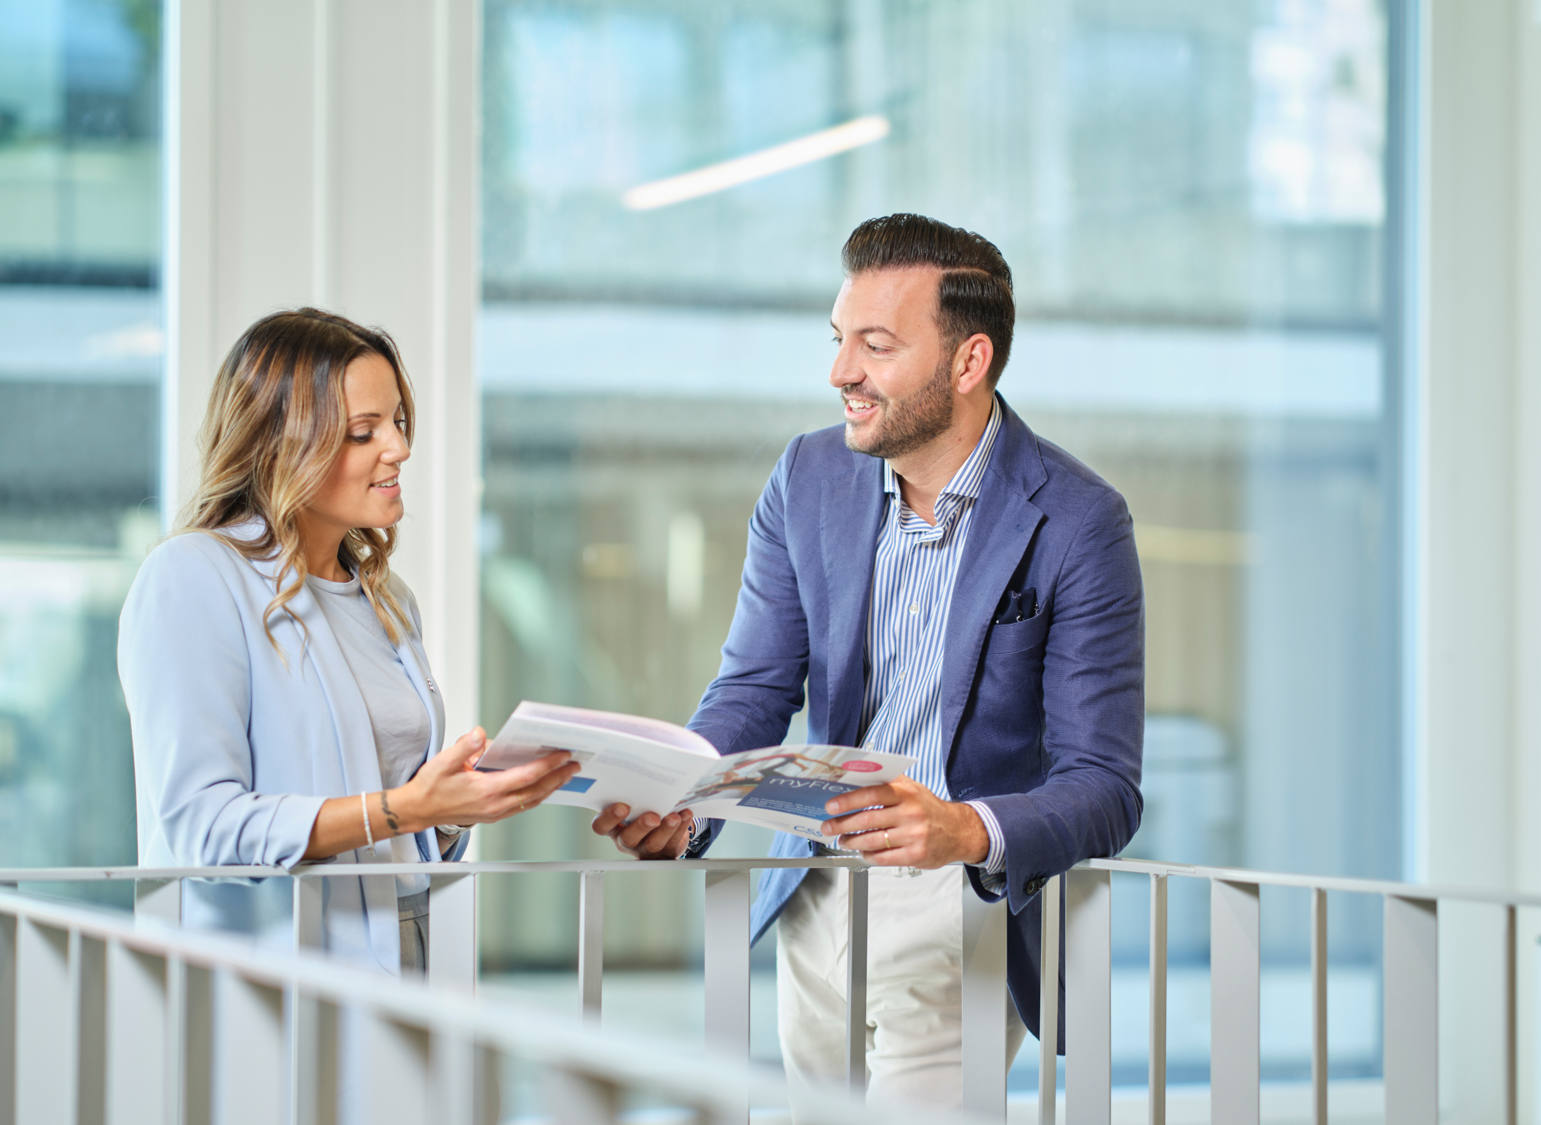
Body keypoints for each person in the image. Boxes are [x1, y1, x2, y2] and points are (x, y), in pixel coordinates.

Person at [593, 214, 1144, 1104]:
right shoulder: (806, 477)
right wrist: (684, 795)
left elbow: (1106, 783)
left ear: (968, 363)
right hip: (812, 889)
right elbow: (756, 684)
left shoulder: (1080, 521)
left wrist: (963, 829)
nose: (840, 371)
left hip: (959, 903)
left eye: (875, 345)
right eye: (839, 339)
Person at [119, 308, 581, 975]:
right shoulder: (192, 578)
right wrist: (403, 808)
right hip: (266, 976)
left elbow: (399, 830)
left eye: (396, 421)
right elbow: (202, 826)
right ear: (279, 444)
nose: (398, 447)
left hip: (406, 948)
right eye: (363, 432)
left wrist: (450, 811)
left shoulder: (387, 598)